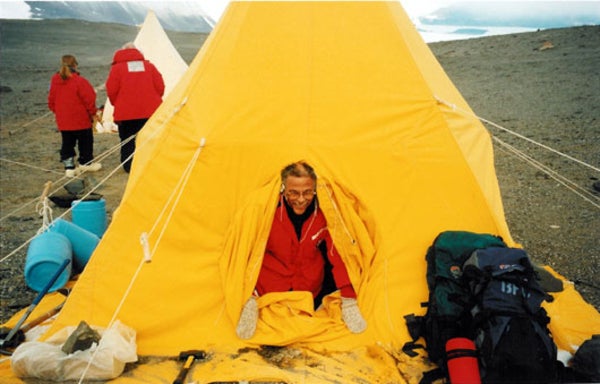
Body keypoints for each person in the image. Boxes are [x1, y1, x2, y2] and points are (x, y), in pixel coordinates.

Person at [236, 161, 367, 339]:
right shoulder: (268, 212)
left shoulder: (324, 214)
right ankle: (252, 301)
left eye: (307, 192)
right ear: (283, 188)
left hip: (309, 286)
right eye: (293, 193)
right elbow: (248, 252)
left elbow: (338, 252)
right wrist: (248, 293)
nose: (300, 199)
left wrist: (348, 299)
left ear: (315, 189)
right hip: (271, 284)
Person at [105, 43, 165, 173]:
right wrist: (152, 100)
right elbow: (160, 86)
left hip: (126, 113)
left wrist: (119, 104)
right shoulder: (149, 67)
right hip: (150, 111)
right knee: (150, 138)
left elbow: (111, 90)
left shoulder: (117, 69)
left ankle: (129, 167)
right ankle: (150, 165)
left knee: (127, 140)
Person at [48, 54, 101, 177]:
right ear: (75, 65)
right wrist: (93, 113)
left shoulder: (55, 81)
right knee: (85, 141)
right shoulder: (80, 81)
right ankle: (85, 163)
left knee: (67, 142)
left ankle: (69, 167)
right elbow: (89, 99)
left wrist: (59, 112)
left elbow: (51, 100)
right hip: (81, 119)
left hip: (64, 120)